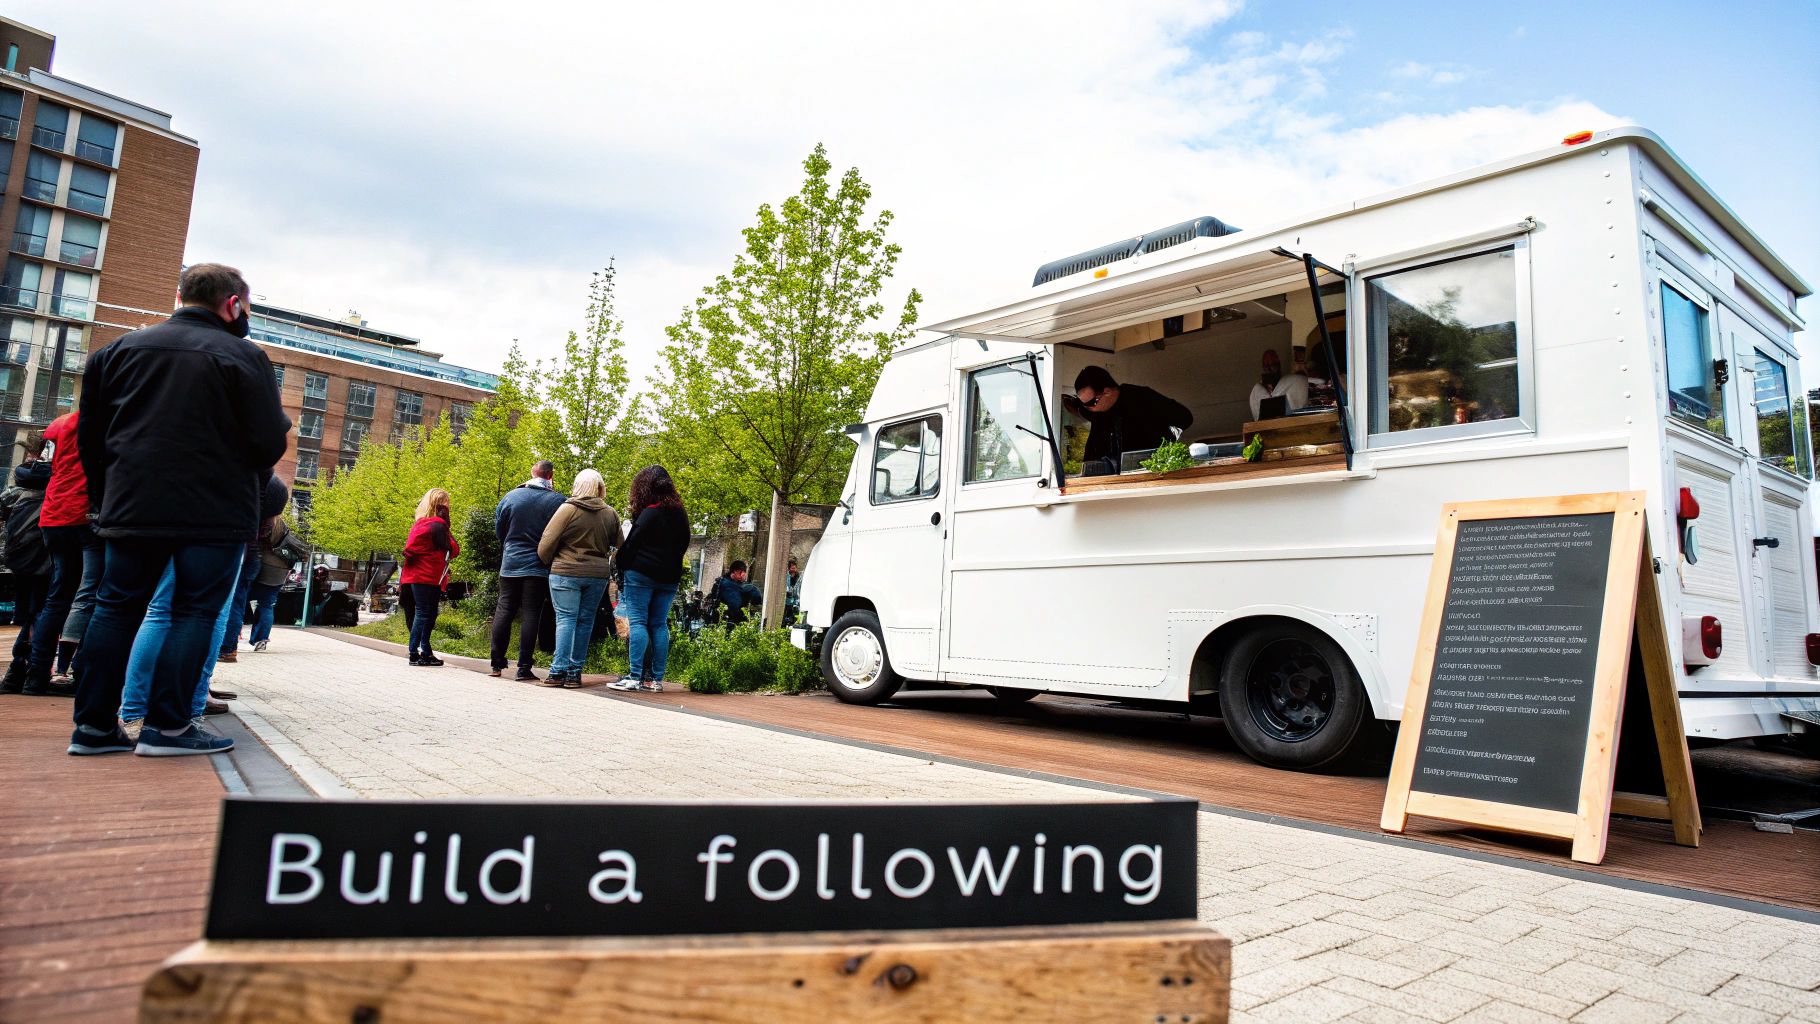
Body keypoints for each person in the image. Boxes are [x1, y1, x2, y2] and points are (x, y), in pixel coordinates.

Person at [67, 262, 292, 756]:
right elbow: (267, 443)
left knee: (117, 607)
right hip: (213, 512)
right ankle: (167, 728)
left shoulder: (116, 353)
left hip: (132, 504)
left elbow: (91, 439)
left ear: (178, 296)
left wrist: (107, 501)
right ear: (233, 304)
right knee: (194, 611)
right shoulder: (244, 357)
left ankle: (92, 728)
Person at [28, 410, 100, 695]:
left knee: (58, 596)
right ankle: (76, 671)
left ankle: (36, 676)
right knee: (93, 594)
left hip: (53, 513)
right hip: (85, 515)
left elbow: (46, 464)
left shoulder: (59, 423)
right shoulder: (103, 420)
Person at [536, 469, 620, 687]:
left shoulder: (567, 509)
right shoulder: (610, 513)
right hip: (597, 575)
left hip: (565, 572)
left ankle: (557, 672)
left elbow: (547, 541)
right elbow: (620, 544)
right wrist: (607, 562)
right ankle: (574, 673)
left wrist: (549, 561)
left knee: (565, 619)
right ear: (600, 488)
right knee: (585, 621)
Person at [608, 465, 689, 693]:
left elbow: (631, 544)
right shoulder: (680, 513)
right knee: (659, 624)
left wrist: (621, 564)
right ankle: (655, 679)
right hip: (669, 577)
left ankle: (634, 676)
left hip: (641, 575)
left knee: (638, 622)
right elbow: (684, 544)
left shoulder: (650, 512)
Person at [490, 459, 566, 682]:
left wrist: (510, 545)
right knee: (532, 613)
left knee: (504, 609)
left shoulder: (511, 497)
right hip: (538, 565)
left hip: (511, 562)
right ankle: (523, 668)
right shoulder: (558, 501)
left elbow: (499, 529)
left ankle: (496, 663)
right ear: (550, 475)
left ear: (532, 472)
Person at [1062, 366, 1192, 474]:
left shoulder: (1141, 398)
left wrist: (1165, 440)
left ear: (1106, 392)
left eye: (1091, 403)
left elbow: (1185, 417)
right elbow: (1080, 409)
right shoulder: (1096, 410)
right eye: (1084, 404)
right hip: (1101, 480)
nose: (1090, 408)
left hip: (1144, 476)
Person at [218, 474, 287, 662]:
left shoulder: (244, 480)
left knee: (229, 603)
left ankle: (226, 647)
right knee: (249, 603)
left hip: (241, 551)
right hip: (257, 558)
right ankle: (233, 647)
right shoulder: (277, 489)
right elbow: (268, 528)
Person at [0, 459, 55, 694]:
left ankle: (16, 671)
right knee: (44, 612)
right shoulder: (51, 499)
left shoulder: (13, 496)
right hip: (45, 564)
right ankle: (34, 672)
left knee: (29, 614)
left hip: (19, 564)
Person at [399, 488, 458, 667]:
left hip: (415, 576)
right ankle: (414, 653)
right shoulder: (437, 526)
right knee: (424, 613)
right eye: (446, 503)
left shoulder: (420, 523)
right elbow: (454, 549)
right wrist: (445, 522)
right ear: (440, 505)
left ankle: (425, 651)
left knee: (426, 614)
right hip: (427, 576)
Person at [250, 509, 307, 651]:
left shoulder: (266, 518)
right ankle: (261, 638)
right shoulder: (281, 523)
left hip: (266, 564)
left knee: (241, 600)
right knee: (267, 604)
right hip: (282, 567)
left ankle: (230, 642)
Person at [1247, 349, 1309, 420]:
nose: (1270, 368)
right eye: (1266, 366)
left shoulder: (1293, 380)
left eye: (1273, 364)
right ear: (1263, 367)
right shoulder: (1257, 389)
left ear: (1278, 363)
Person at [707, 560, 763, 628]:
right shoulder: (730, 586)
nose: (744, 575)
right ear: (738, 572)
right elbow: (736, 604)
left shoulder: (721, 582)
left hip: (720, 622)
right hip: (731, 622)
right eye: (743, 573)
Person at [783, 556, 802, 626]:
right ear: (789, 569)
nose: (794, 570)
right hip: (788, 601)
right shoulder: (787, 576)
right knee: (787, 615)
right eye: (792, 568)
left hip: (796, 601)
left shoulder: (798, 576)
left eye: (795, 568)